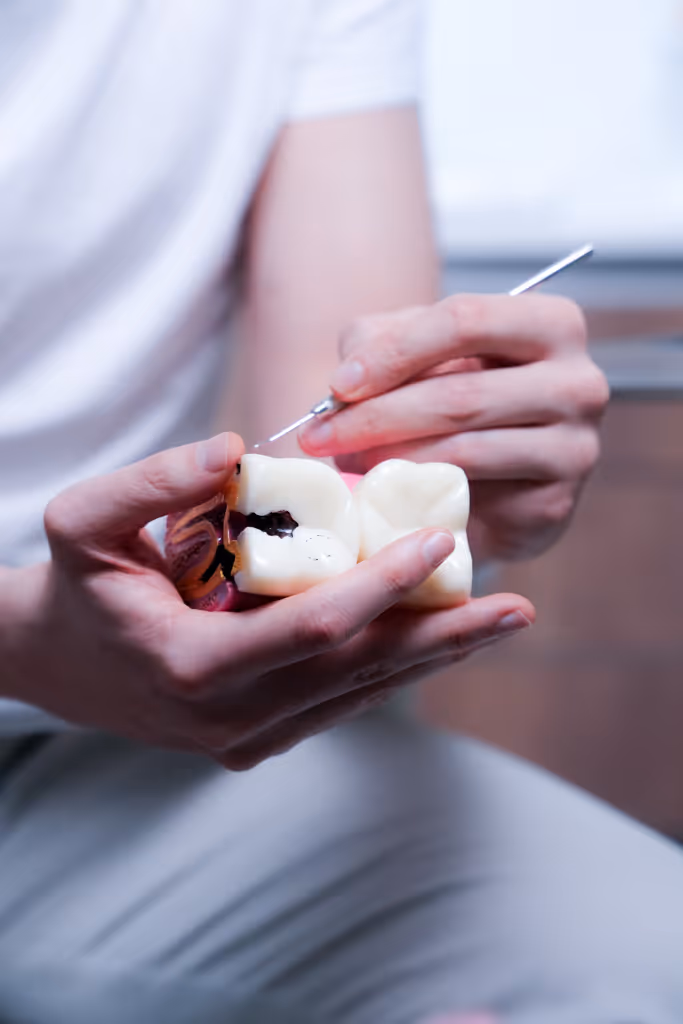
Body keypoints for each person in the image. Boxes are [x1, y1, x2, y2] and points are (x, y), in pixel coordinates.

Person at [1, 2, 682, 1022]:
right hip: (65, 686)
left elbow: (350, 470)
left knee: (640, 968)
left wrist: (462, 495)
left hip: (95, 767)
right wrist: (23, 642)